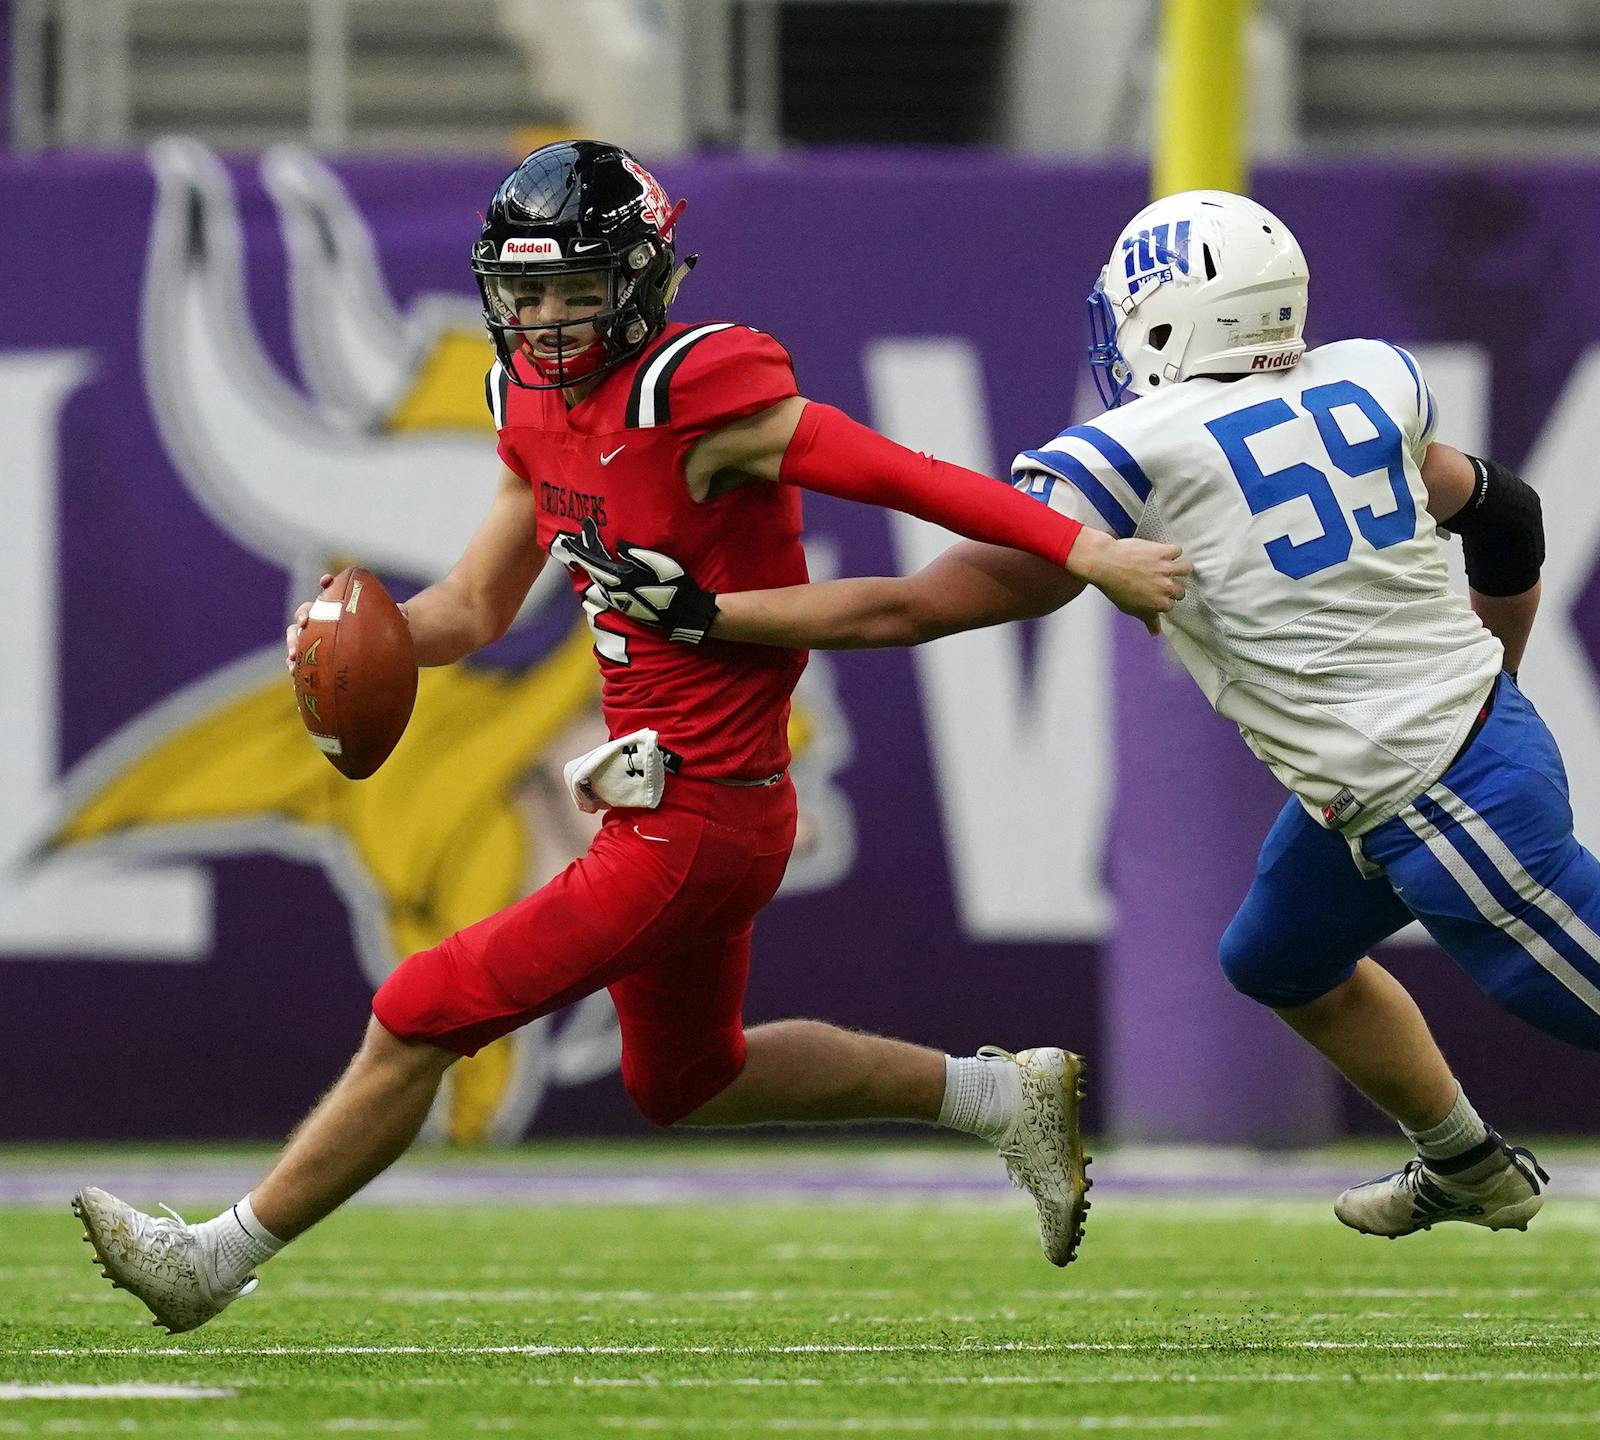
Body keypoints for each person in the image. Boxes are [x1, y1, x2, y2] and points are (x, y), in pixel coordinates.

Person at [566, 189, 1600, 1348]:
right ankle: (1462, 1158)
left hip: (1438, 799)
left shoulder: (1139, 453)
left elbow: (913, 604)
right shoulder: (1370, 377)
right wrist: (1490, 673)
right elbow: (1504, 510)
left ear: (1160, 320)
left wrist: (711, 612)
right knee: (1277, 952)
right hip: (1424, 762)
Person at [73, 141, 1187, 1333]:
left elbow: (908, 477)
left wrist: (1091, 551)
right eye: (527, 291)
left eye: (576, 289)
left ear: (643, 281)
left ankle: (215, 1258)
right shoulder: (529, 403)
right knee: (689, 1080)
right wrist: (376, 633)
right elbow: (476, 609)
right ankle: (998, 1098)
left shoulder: (697, 389)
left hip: (701, 814)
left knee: (420, 1007)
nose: (547, 319)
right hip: (664, 800)